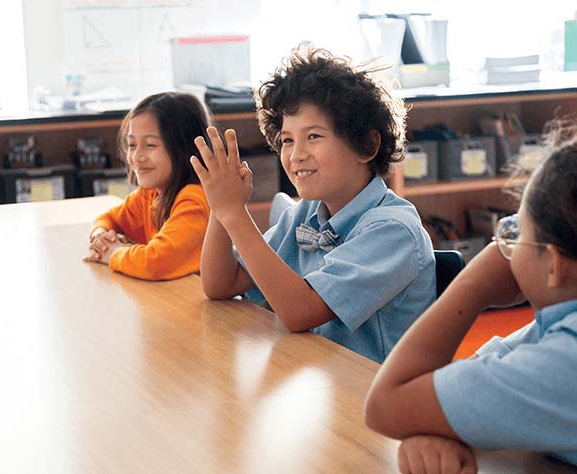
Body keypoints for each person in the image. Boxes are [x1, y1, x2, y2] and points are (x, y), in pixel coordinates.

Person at [190, 46, 435, 363]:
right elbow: (221, 283)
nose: (296, 155)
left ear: (367, 145)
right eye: (288, 140)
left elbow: (299, 312)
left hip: (374, 398)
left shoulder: (394, 231)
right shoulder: (305, 214)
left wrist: (234, 213)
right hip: (318, 382)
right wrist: (219, 206)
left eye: (314, 137)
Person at [364, 123, 577, 473]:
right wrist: (437, 425)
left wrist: (474, 283)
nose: (504, 244)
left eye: (518, 231)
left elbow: (386, 404)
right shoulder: (557, 329)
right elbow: (471, 379)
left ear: (553, 265)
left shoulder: (565, 361)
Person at [84, 92, 211, 280]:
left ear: (183, 147)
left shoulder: (194, 200)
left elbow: (156, 262)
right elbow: (109, 219)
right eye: (132, 145)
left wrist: (113, 253)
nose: (136, 157)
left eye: (150, 145)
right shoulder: (150, 194)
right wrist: (101, 236)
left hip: (201, 305)